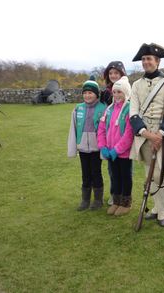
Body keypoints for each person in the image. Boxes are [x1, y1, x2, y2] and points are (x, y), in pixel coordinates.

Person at [129, 43, 164, 227]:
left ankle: (162, 210)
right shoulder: (136, 85)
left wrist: (159, 134)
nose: (146, 62)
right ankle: (156, 209)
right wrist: (147, 135)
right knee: (148, 174)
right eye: (143, 59)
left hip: (163, 135)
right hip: (144, 136)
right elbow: (133, 113)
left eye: (149, 59)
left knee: (158, 174)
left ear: (157, 61)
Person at [67, 78, 106, 211]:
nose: (87, 95)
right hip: (82, 148)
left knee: (96, 173)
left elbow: (106, 130)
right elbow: (73, 130)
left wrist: (104, 148)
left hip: (96, 148)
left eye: (90, 93)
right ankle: (85, 200)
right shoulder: (78, 109)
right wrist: (73, 149)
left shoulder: (103, 108)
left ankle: (98, 200)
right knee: (85, 174)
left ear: (96, 94)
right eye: (85, 93)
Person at [97, 76, 134, 216]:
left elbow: (129, 134)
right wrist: (103, 146)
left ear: (126, 93)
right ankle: (117, 201)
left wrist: (117, 150)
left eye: (120, 92)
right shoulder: (109, 109)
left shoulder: (129, 109)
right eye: (115, 92)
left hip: (123, 153)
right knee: (115, 177)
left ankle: (126, 203)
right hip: (109, 151)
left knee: (125, 177)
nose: (117, 95)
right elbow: (101, 129)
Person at [100, 61, 127, 206]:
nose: (113, 75)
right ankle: (114, 194)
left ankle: (124, 197)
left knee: (125, 172)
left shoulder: (126, 90)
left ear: (121, 74)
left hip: (122, 135)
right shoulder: (105, 93)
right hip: (109, 134)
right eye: (111, 73)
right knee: (112, 170)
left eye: (116, 73)